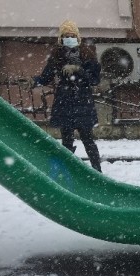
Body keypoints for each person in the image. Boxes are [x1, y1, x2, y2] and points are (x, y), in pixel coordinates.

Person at [31, 19, 102, 172]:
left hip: (83, 100)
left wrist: (79, 69)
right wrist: (34, 81)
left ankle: (97, 171)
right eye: (66, 36)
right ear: (61, 38)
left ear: (78, 37)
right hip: (65, 102)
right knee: (66, 142)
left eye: (72, 35)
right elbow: (46, 77)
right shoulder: (56, 56)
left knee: (88, 139)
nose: (69, 38)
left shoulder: (87, 55)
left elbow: (94, 79)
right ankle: (69, 172)